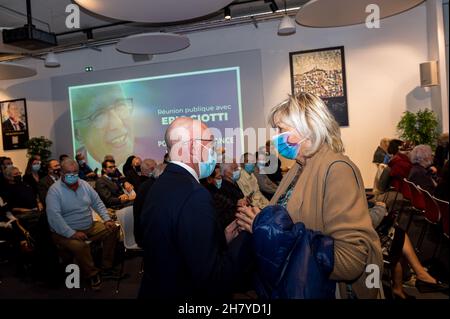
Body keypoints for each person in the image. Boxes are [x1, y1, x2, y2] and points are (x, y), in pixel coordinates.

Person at [236, 93, 383, 299]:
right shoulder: (298, 166)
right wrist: (259, 218)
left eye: (281, 130)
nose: (276, 137)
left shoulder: (337, 169)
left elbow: (349, 261)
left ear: (309, 128)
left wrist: (264, 227)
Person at [139, 117, 252, 299]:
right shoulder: (194, 194)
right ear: (192, 148)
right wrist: (248, 233)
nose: (214, 152)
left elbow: (177, 244)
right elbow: (213, 279)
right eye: (211, 144)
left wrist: (220, 240)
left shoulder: (160, 184)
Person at [46, 158, 120, 290]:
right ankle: (92, 274)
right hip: (64, 231)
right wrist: (72, 233)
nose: (72, 175)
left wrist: (107, 219)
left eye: (75, 172)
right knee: (80, 246)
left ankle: (106, 267)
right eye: (69, 173)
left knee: (113, 228)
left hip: (89, 226)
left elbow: (97, 203)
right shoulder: (54, 191)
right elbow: (54, 218)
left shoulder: (84, 184)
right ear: (61, 173)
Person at [368, 202, 448, 298]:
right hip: (365, 240)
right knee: (398, 238)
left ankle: (405, 282)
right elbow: (370, 221)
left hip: (368, 232)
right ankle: (418, 275)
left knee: (398, 235)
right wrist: (380, 207)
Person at [71, 84, 137, 170]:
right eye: (99, 115)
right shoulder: (75, 168)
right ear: (78, 134)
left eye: (120, 106)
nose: (117, 123)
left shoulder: (149, 154)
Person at [132, 159, 157, 248]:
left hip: (142, 232)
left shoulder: (143, 184)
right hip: (145, 235)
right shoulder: (150, 186)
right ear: (153, 169)